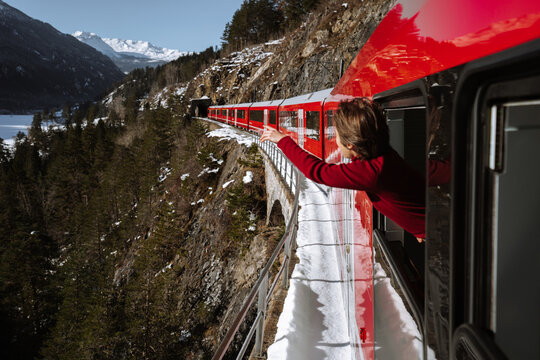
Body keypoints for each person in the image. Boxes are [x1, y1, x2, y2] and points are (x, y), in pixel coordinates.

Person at [260, 97, 426, 240]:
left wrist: (283, 141)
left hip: (434, 230)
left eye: (337, 136)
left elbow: (318, 172)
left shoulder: (370, 172)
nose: (334, 140)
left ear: (350, 144)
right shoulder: (382, 153)